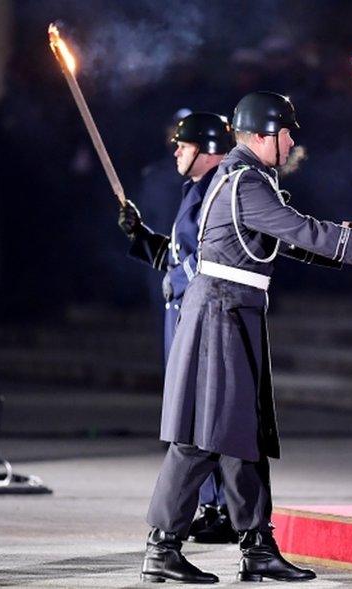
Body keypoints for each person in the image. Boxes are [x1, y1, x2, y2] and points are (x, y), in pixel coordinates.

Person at [141, 91, 352, 583]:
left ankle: (257, 546)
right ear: (261, 134)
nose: (292, 141)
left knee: (239, 433)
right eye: (286, 132)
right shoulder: (245, 181)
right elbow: (300, 230)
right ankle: (162, 548)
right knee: (202, 437)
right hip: (221, 312)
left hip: (234, 310)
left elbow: (291, 242)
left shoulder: (246, 178)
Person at [118, 111, 238, 544]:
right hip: (183, 312)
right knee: (189, 412)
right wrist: (142, 236)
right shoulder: (195, 188)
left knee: (208, 413)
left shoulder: (220, 190)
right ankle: (211, 505)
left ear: (207, 151)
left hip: (205, 313)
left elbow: (211, 255)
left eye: (183, 145)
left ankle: (225, 509)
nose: (175, 151)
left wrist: (179, 275)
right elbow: (178, 252)